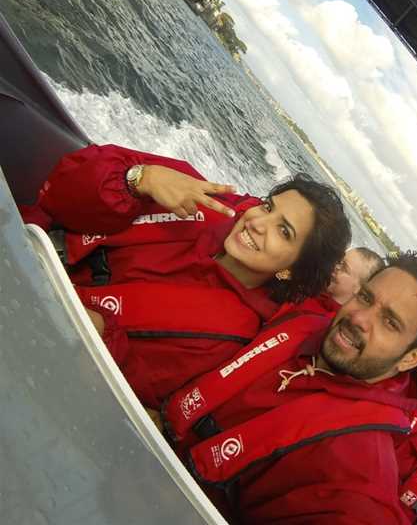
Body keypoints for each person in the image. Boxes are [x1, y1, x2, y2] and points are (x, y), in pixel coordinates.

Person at [21, 143, 351, 407]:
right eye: (268, 206)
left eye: (284, 231)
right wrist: (139, 179)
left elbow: (133, 391)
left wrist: (101, 331)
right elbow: (63, 185)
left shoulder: (225, 336)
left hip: (39, 341)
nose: (257, 222)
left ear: (290, 269)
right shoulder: (192, 194)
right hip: (26, 247)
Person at [160, 250, 417, 524]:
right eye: (367, 298)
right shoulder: (300, 322)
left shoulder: (356, 475)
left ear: (411, 358)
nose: (359, 318)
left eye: (390, 322)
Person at [274, 246, 384, 321]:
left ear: (359, 289)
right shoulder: (310, 283)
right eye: (339, 261)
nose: (336, 267)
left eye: (344, 268)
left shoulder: (330, 326)